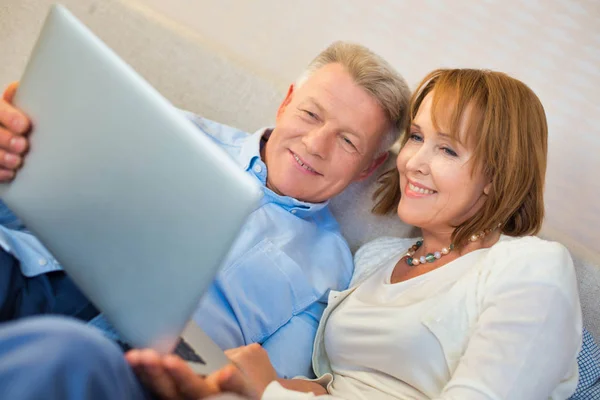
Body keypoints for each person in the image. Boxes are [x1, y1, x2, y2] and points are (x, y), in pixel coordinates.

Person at [126, 68, 584, 399]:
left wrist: (269, 391)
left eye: (446, 149)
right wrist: (240, 380)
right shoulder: (376, 257)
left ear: (497, 176)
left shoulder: (531, 268)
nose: (414, 162)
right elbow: (332, 385)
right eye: (418, 137)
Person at [0, 41, 411, 378]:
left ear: (369, 167)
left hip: (139, 366)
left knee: (70, 353)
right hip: (38, 273)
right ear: (286, 103)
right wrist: (15, 156)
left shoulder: (330, 271)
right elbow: (35, 204)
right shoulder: (173, 131)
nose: (315, 144)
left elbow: (266, 384)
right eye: (310, 113)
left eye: (347, 142)